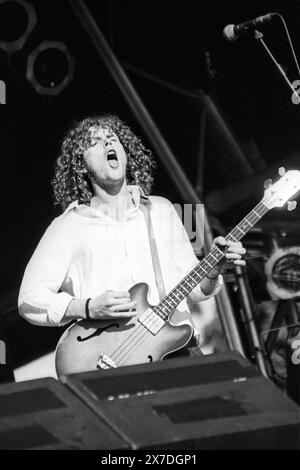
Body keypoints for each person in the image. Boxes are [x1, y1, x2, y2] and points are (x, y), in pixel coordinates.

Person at [18, 114, 245, 356]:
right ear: (81, 165)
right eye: (95, 142)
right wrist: (87, 307)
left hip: (177, 351)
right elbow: (30, 299)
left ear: (125, 154)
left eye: (112, 138)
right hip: (111, 358)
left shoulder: (162, 209)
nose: (107, 144)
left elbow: (196, 290)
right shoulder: (67, 226)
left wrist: (213, 270)